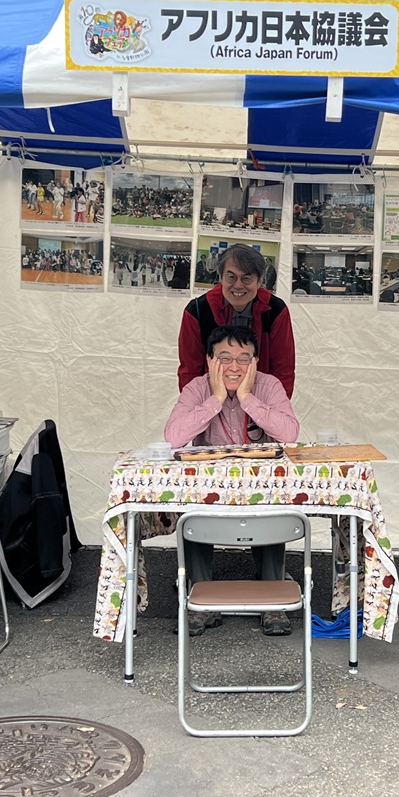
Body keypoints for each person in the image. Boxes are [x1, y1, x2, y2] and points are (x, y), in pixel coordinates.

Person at [164, 325, 299, 636]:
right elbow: (173, 437)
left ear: (255, 362)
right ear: (210, 360)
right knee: (193, 511)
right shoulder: (197, 388)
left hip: (260, 492)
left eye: (244, 359)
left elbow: (290, 434)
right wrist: (217, 398)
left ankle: (273, 603)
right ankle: (201, 603)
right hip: (210, 495)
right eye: (225, 358)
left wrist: (248, 397)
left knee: (274, 507)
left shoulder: (269, 385)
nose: (235, 367)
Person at [177, 243, 295, 397]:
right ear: (221, 278)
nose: (238, 285)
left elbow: (283, 369)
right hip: (212, 400)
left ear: (260, 281)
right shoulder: (198, 311)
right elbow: (189, 371)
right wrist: (197, 412)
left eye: (247, 278)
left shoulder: (275, 311)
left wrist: (275, 411)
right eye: (231, 277)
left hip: (259, 400)